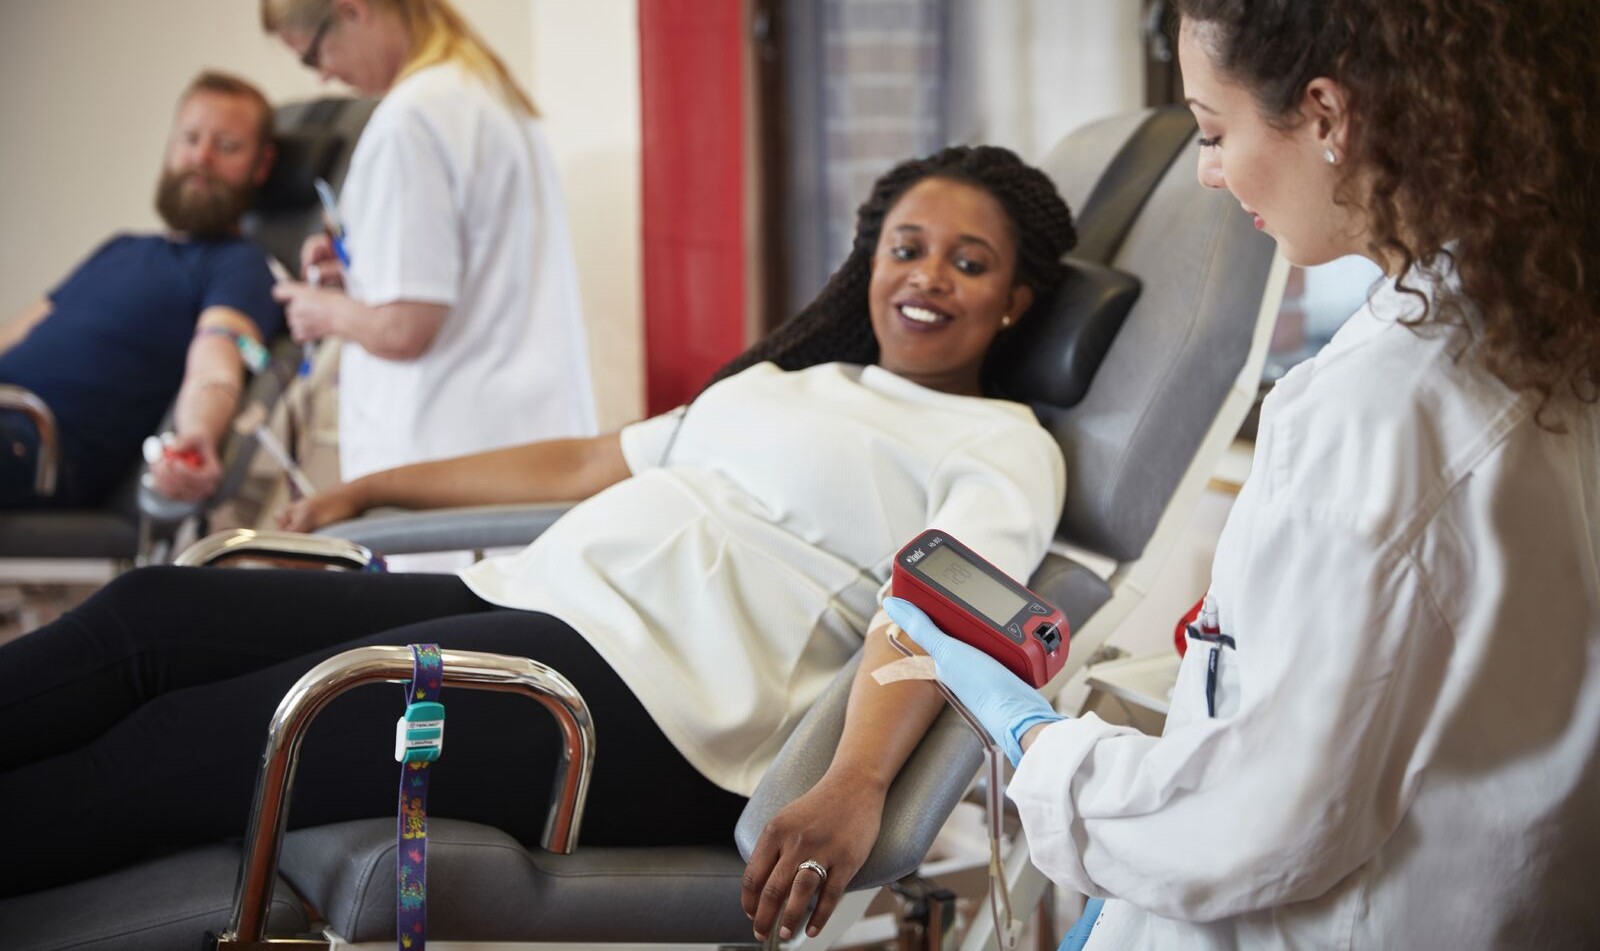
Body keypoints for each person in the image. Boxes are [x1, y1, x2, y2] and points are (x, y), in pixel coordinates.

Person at [0, 145, 1076, 911]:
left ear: (1016, 300)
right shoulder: (792, 383)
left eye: (967, 262)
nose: (927, 276)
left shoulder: (1001, 440)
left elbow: (942, 606)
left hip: (651, 701)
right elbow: (583, 460)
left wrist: (850, 784)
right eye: (906, 247)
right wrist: (371, 486)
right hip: (527, 599)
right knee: (153, 611)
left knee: (202, 741)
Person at [891, 1, 1600, 948]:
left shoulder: (1379, 411)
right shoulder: (1548, 336)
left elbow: (1260, 819)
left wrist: (1041, 747)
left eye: (1214, 130)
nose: (1208, 170)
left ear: (1326, 115)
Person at [261, 0, 598, 482]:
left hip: (448, 464)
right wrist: (362, 269)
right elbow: (475, 269)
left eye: (313, 56)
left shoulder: (408, 122)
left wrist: (322, 310)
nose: (323, 78)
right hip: (519, 442)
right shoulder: (487, 94)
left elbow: (403, 330)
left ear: (353, 12)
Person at [0, 71, 283, 508]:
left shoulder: (238, 265)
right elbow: (18, 332)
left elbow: (216, 361)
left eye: (226, 146)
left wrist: (197, 435)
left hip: (37, 447)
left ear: (261, 165)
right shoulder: (121, 246)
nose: (201, 158)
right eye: (190, 139)